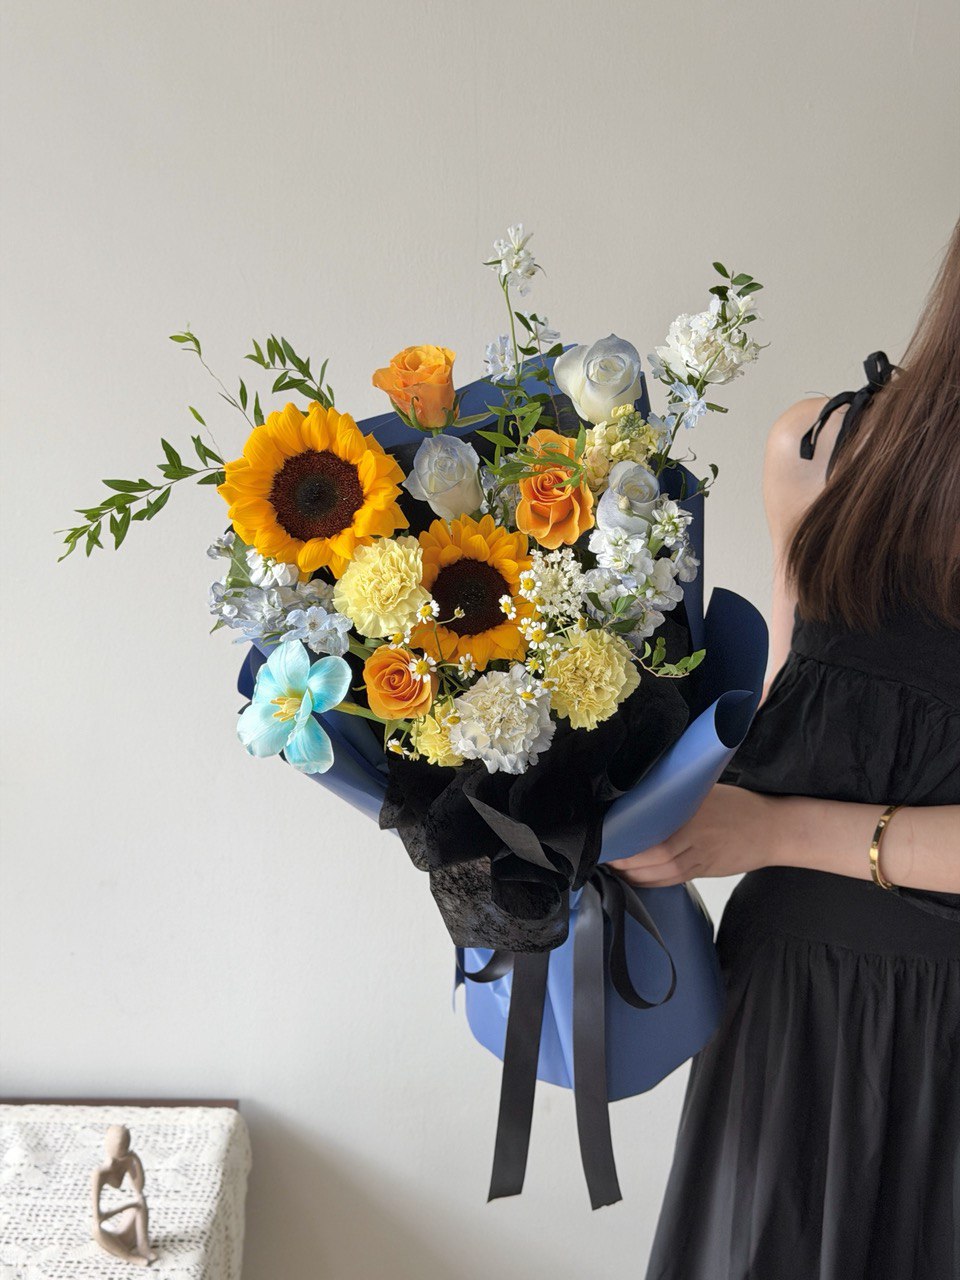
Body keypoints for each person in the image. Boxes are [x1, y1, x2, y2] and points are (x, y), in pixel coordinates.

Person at [611, 221, 960, 1280]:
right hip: (790, 1016)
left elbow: (771, 806)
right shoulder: (814, 450)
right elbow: (782, 717)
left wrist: (764, 828)